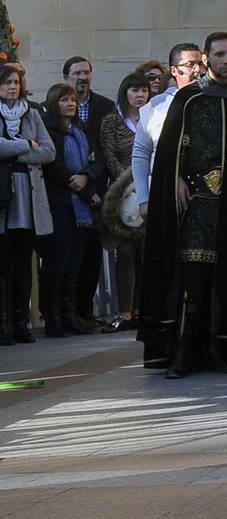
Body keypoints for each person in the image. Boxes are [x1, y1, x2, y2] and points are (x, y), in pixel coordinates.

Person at [138, 32, 227, 379]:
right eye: (219, 55)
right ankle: (183, 349)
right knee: (193, 276)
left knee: (225, 277)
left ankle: (216, 347)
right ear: (207, 58)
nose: (226, 60)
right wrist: (176, 179)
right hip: (197, 201)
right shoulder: (190, 98)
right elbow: (169, 151)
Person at [41, 83, 103, 337]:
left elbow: (96, 160)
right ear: (54, 103)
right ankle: (54, 317)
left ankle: (70, 314)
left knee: (76, 263)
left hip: (81, 207)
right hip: (61, 203)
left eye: (73, 101)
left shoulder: (80, 131)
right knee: (59, 262)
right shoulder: (51, 131)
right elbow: (52, 165)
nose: (70, 104)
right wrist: (82, 187)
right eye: (64, 100)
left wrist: (87, 178)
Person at [0, 64, 55, 345]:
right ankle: (2, 322)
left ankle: (21, 321)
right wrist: (25, 145)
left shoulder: (32, 113)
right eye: (7, 82)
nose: (12, 87)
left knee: (23, 262)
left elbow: (48, 152)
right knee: (2, 263)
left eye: (16, 82)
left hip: (27, 195)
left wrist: (13, 153)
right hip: (2, 197)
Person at [64, 56, 115, 327]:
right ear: (66, 78)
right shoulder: (57, 104)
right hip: (69, 192)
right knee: (71, 255)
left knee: (93, 253)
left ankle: (86, 311)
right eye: (76, 73)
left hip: (98, 189)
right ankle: (66, 313)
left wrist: (91, 178)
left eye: (86, 72)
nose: (82, 77)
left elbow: (105, 151)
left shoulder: (105, 107)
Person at [99, 71, 151, 332]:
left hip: (151, 191)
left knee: (147, 252)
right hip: (122, 195)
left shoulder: (154, 117)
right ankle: (126, 312)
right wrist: (129, 182)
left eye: (143, 90)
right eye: (134, 90)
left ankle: (146, 309)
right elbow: (109, 155)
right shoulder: (112, 121)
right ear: (125, 93)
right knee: (126, 253)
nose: (140, 94)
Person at [131, 43, 205, 218]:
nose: (197, 70)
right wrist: (143, 199)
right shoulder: (155, 107)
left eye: (200, 64)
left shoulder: (214, 101)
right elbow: (141, 153)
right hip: (165, 190)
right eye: (190, 65)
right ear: (174, 70)